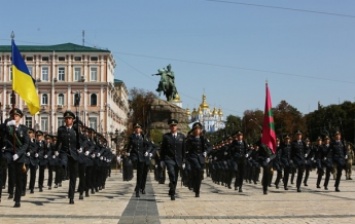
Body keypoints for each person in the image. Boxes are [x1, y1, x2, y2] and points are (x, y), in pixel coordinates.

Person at [3, 108, 29, 207]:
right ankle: (10, 192)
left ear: (20, 117)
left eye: (17, 116)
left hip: (19, 156)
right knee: (11, 176)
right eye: (13, 116)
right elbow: (4, 137)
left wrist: (18, 153)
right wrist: (7, 125)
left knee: (19, 178)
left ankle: (17, 199)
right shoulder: (8, 127)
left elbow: (26, 144)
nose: (15, 117)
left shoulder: (24, 129)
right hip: (10, 154)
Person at [54, 111, 81, 204]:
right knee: (63, 163)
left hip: (73, 154)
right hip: (64, 152)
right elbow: (58, 141)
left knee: (73, 177)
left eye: (69, 118)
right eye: (66, 118)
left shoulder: (76, 130)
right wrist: (56, 150)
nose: (67, 120)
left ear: (72, 120)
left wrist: (80, 148)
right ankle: (63, 174)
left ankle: (71, 196)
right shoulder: (61, 129)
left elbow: (79, 141)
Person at [160, 119, 186, 200]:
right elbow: (162, 149)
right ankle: (173, 193)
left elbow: (184, 150)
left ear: (177, 127)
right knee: (171, 173)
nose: (173, 127)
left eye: (174, 126)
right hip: (169, 159)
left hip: (178, 159)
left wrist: (184, 161)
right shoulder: (166, 137)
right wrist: (162, 160)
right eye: (171, 126)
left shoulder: (182, 137)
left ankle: (172, 190)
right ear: (169, 127)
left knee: (176, 175)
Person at [127, 123, 152, 198]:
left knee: (140, 174)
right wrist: (128, 152)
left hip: (142, 157)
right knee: (135, 166)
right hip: (134, 156)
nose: (137, 129)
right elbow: (129, 145)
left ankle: (138, 189)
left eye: (138, 128)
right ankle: (137, 186)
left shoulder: (143, 137)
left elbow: (149, 145)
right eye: (136, 128)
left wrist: (147, 151)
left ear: (140, 130)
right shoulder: (132, 137)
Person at [185, 122, 209, 197]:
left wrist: (206, 152)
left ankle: (197, 189)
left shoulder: (203, 139)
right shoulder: (190, 138)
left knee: (199, 175)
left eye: (198, 129)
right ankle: (191, 184)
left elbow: (210, 146)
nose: (197, 130)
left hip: (201, 158)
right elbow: (185, 147)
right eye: (196, 129)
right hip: (192, 157)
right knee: (197, 170)